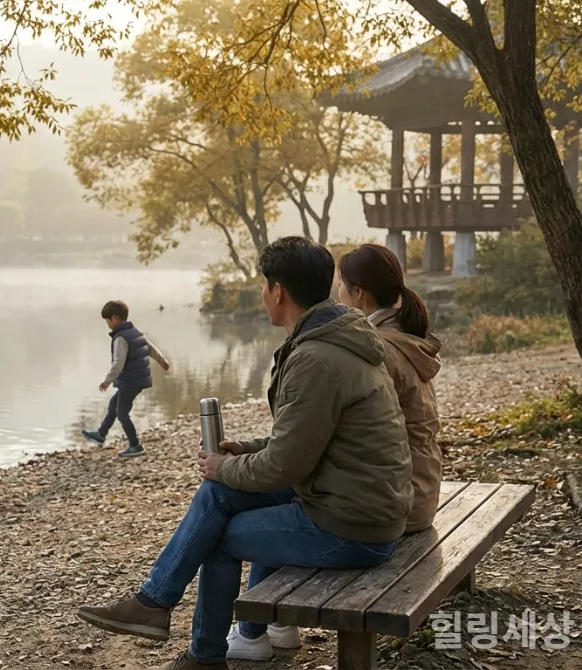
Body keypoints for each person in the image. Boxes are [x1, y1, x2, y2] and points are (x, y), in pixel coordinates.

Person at [75, 237, 412, 669]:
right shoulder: (334, 340)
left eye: (263, 286)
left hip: (352, 527)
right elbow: (306, 441)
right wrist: (242, 452)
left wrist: (225, 465)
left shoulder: (316, 359)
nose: (263, 295)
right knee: (218, 494)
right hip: (353, 501)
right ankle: (154, 603)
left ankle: (202, 654)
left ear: (277, 291)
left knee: (221, 537)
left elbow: (285, 466)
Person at [338, 243, 443, 533]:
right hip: (422, 492)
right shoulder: (402, 335)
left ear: (357, 292)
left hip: (398, 504)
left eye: (341, 285)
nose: (338, 294)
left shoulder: (377, 348)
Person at [81, 300, 171, 457]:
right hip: (138, 379)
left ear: (114, 318)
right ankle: (101, 434)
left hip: (130, 381)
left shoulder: (120, 339)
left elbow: (118, 363)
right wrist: (163, 361)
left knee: (122, 413)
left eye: (107, 321)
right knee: (113, 404)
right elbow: (150, 348)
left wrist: (107, 380)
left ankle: (135, 445)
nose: (107, 324)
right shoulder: (135, 331)